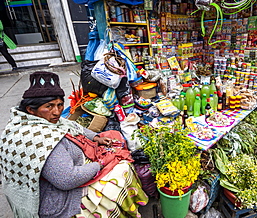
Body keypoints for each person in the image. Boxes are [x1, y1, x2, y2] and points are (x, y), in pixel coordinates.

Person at [0, 71, 148, 217]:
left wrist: (96, 137)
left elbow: (74, 126)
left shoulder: (39, 120)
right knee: (123, 168)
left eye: (59, 105)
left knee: (113, 136)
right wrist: (101, 163)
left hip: (71, 166)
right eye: (49, 106)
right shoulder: (40, 139)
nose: (57, 112)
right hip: (57, 198)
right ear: (30, 109)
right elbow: (67, 179)